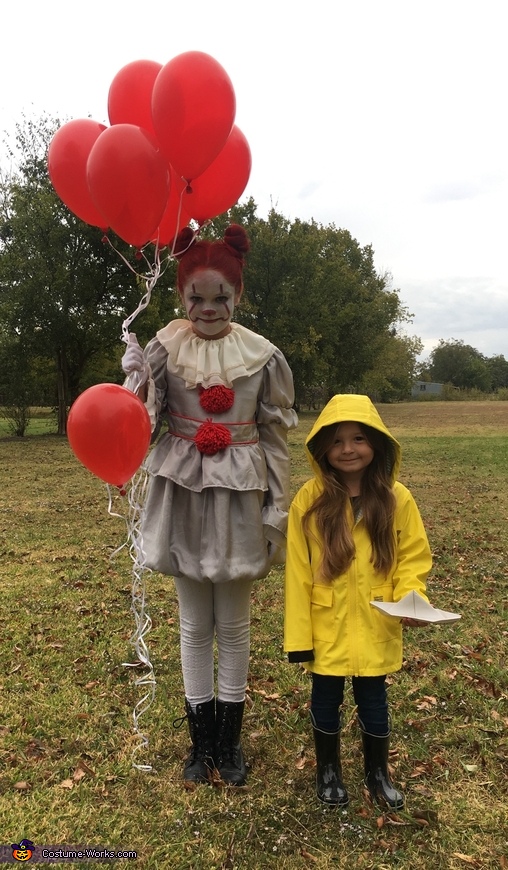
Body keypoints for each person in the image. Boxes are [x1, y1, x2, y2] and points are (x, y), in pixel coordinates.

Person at [122, 224, 297, 787]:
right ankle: (200, 743)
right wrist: (135, 386)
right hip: (183, 497)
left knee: (235, 623)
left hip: (241, 501)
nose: (208, 307)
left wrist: (277, 506)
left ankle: (230, 741)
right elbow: (141, 425)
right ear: (181, 296)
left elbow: (273, 436)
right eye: (195, 296)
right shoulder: (165, 348)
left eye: (221, 296)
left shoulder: (261, 356)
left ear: (238, 295)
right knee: (194, 622)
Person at [284, 394, 432, 809]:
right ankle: (327, 770)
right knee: (325, 699)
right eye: (336, 441)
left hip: (375, 622)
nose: (348, 450)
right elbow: (297, 573)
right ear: (322, 449)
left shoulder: (396, 498)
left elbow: (412, 557)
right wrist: (299, 637)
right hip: (325, 624)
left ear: (378, 444)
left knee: (374, 699)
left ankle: (377, 772)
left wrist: (410, 598)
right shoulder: (308, 501)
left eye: (359, 439)